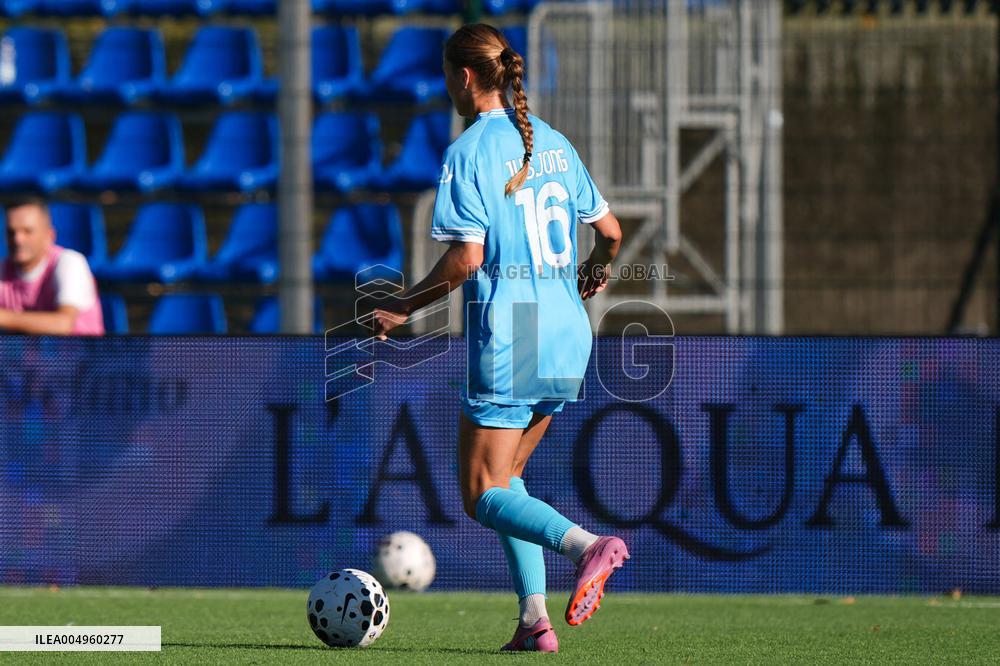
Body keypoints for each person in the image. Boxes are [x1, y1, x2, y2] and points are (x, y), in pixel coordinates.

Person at [371, 24, 625, 653]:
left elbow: (466, 259)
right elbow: (612, 232)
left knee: (482, 492)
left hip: (514, 332)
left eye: (445, 76)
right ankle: (534, 621)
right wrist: (597, 268)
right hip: (568, 328)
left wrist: (404, 306)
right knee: (508, 480)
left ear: (463, 77)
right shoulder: (554, 142)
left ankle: (588, 546)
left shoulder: (468, 152)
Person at [0, 196, 104, 335]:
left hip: (81, 350)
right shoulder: (3, 269)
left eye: (28, 231)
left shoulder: (70, 262)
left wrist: (5, 318)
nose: (18, 239)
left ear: (49, 235)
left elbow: (63, 324)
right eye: (11, 232)